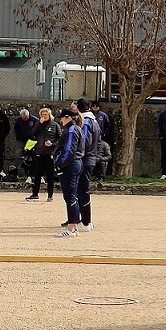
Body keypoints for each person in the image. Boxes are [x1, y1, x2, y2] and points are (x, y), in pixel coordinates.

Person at [54, 107, 84, 236]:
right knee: (72, 196)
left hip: (70, 165)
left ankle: (71, 228)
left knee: (70, 196)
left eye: (61, 118)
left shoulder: (71, 130)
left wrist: (60, 164)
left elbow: (69, 150)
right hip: (75, 164)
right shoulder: (76, 128)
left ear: (67, 117)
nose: (60, 120)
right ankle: (74, 226)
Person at [76, 98, 101, 231]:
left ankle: (85, 221)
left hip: (85, 158)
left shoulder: (85, 121)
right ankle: (84, 219)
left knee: (82, 190)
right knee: (82, 189)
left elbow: (84, 141)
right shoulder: (94, 121)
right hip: (91, 157)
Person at [26, 107, 58, 201]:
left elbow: (60, 139)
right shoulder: (38, 124)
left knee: (50, 175)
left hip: (50, 153)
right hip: (39, 152)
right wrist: (39, 124)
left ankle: (50, 195)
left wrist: (52, 144)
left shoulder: (55, 125)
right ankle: (35, 194)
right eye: (42, 115)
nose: (44, 116)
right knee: (37, 174)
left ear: (49, 115)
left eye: (46, 114)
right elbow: (32, 134)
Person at [13, 107, 39, 182]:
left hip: (32, 141)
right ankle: (16, 171)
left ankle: (32, 174)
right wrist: (18, 138)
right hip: (22, 140)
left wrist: (35, 138)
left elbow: (38, 129)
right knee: (19, 154)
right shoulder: (18, 120)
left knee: (32, 157)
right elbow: (16, 129)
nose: (25, 119)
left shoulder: (34, 120)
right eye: (23, 118)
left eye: (26, 118)